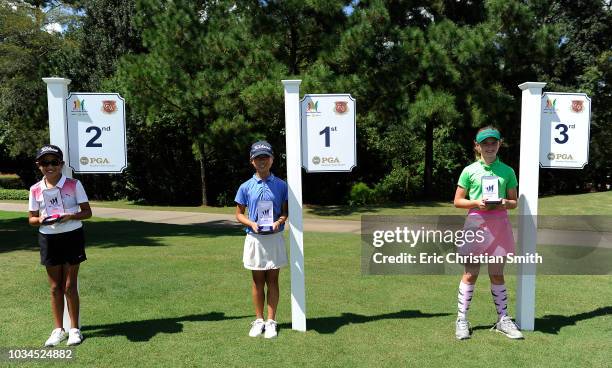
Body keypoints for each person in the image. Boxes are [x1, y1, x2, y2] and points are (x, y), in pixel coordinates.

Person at [453, 127, 524, 340]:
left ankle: (503, 319)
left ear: (499, 144)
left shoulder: (508, 171)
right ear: (477, 146)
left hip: (499, 224)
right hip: (476, 223)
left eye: (493, 143)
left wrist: (504, 202)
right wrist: (476, 202)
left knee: (496, 273)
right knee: (471, 273)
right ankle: (462, 319)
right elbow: (457, 201)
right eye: (485, 143)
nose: (489, 147)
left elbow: (514, 202)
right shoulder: (469, 170)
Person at [28, 145, 92, 346]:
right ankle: (58, 330)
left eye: (54, 162)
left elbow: (87, 212)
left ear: (61, 164)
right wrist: (42, 219)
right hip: (49, 238)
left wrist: (70, 216)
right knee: (55, 287)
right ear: (39, 165)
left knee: (69, 285)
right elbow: (31, 218)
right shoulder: (35, 189)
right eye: (45, 162)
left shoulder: (73, 184)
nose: (50, 166)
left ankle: (74, 330)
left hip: (72, 235)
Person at [235, 141, 289, 339]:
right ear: (252, 161)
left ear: (272, 159)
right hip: (255, 238)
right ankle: (259, 321)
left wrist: (280, 221)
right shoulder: (245, 186)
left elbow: (285, 212)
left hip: (274, 237)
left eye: (265, 157)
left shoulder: (282, 185)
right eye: (258, 158)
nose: (262, 161)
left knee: (273, 280)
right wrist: (251, 223)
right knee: (258, 282)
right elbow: (239, 214)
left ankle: (271, 321)